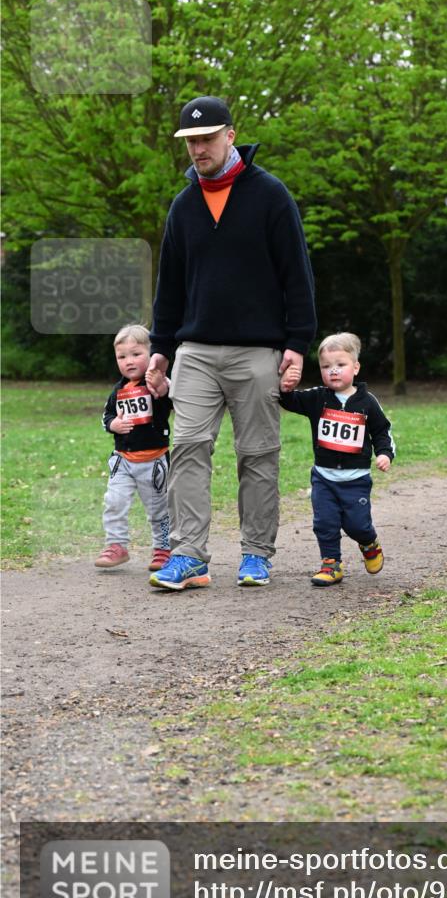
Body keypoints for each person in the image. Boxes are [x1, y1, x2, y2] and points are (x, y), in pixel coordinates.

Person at [146, 96, 317, 591]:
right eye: (190, 142)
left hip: (257, 351)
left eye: (205, 138)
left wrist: (297, 341)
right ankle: (189, 555)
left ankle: (257, 554)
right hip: (195, 350)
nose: (198, 149)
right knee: (189, 447)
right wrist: (160, 347)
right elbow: (170, 286)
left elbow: (297, 274)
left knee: (258, 454)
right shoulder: (183, 206)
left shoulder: (270, 195)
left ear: (230, 135)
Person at [279, 333, 395, 586]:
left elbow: (382, 431)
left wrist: (385, 454)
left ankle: (369, 543)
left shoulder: (367, 402)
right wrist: (285, 387)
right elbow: (290, 401)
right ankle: (331, 565)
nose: (333, 371)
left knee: (357, 525)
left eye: (340, 365)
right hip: (324, 477)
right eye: (325, 366)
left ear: (355, 367)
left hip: (356, 479)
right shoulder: (317, 398)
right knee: (325, 523)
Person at [95, 324, 172, 571]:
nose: (129, 361)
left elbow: (168, 396)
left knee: (159, 509)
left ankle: (163, 549)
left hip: (154, 461)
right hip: (123, 461)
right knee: (114, 502)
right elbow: (106, 416)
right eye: (122, 357)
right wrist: (113, 424)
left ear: (152, 354)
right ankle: (116, 545)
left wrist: (161, 385)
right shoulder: (117, 390)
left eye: (136, 354)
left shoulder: (158, 383)